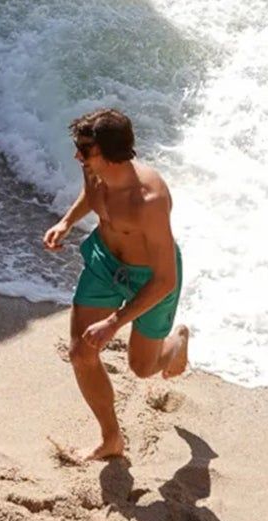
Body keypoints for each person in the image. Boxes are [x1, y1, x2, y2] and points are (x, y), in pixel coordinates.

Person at [41, 108, 190, 461]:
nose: (78, 155)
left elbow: (166, 279)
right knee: (81, 352)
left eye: (86, 150)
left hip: (151, 278)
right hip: (105, 263)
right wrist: (66, 221)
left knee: (141, 368)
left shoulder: (149, 201)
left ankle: (176, 343)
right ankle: (111, 439)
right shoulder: (94, 170)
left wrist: (115, 321)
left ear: (111, 153)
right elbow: (91, 197)